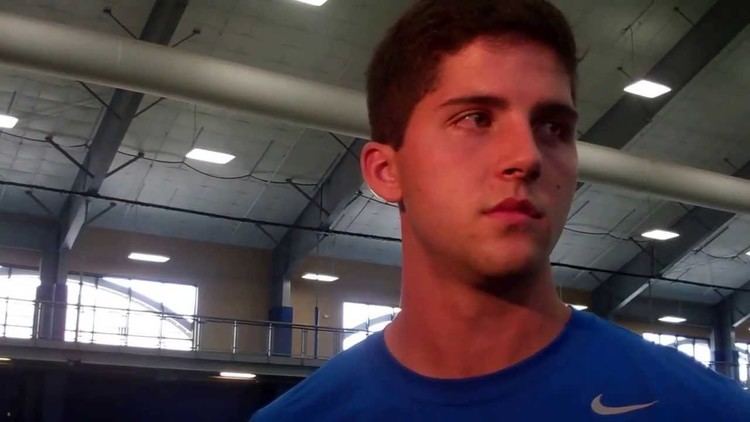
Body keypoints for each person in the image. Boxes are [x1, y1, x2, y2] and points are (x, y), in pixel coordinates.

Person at [253, 0, 750, 420]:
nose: (527, 157)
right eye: (476, 118)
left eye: (553, 127)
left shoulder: (706, 409)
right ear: (386, 170)